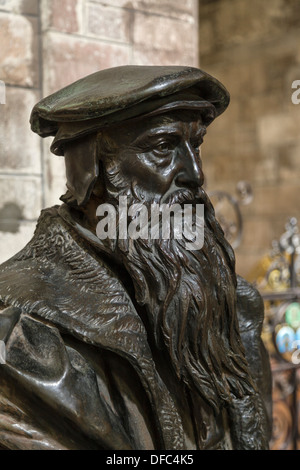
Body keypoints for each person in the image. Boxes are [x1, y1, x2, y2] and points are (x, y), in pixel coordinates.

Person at [0, 66, 272, 450]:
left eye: (196, 146)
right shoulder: (22, 336)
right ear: (89, 173)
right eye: (163, 147)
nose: (195, 174)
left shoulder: (235, 308)